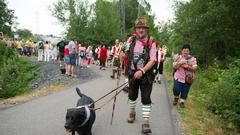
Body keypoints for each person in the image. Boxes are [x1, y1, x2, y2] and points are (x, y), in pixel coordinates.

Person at [125, 17, 157, 134]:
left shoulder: (151, 42)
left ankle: (145, 122)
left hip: (146, 75)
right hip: (132, 73)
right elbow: (126, 54)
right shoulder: (130, 40)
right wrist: (122, 56)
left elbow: (153, 60)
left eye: (143, 27)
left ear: (146, 29)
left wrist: (142, 71)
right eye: (139, 27)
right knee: (132, 95)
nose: (141, 30)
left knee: (146, 98)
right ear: (136, 29)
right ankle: (132, 112)